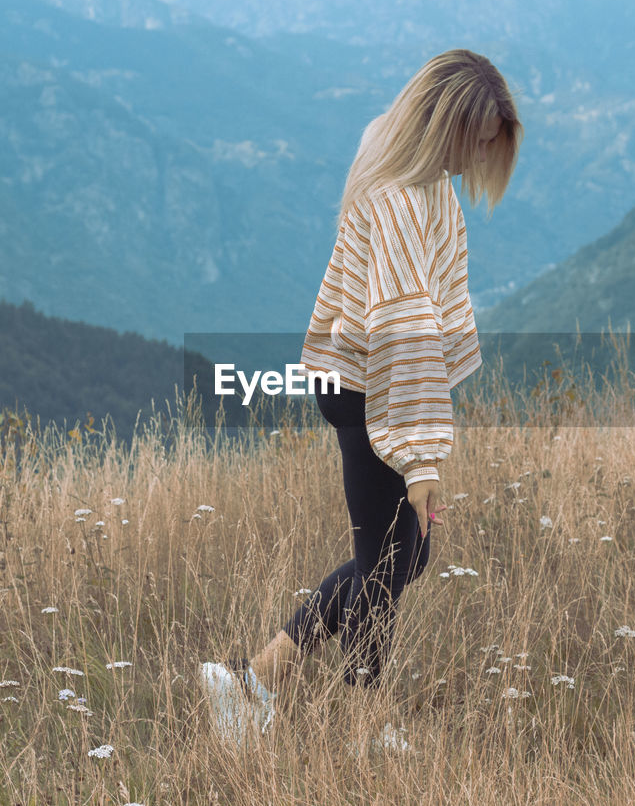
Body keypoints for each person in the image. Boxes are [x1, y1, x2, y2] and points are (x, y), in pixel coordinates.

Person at [199, 48, 522, 750]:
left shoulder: (394, 152)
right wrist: (421, 458)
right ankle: (360, 723)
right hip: (370, 388)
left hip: (357, 381)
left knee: (405, 558)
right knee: (385, 563)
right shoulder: (405, 196)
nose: (478, 161)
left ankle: (254, 679)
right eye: (478, 141)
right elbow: (404, 331)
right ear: (448, 124)